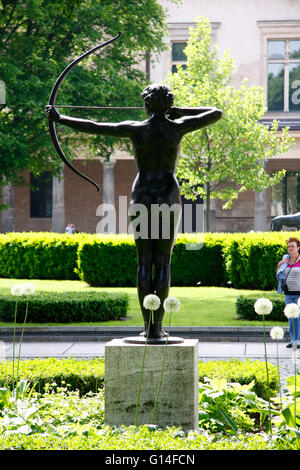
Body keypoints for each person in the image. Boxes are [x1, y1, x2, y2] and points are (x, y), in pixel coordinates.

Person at [46, 83, 222, 338]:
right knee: (162, 263)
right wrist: (182, 110)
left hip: (142, 195)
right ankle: (157, 329)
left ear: (147, 104)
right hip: (167, 194)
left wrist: (60, 118)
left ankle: (147, 328)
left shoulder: (137, 129)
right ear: (168, 103)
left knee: (144, 263)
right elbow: (216, 112)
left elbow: (95, 126)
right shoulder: (178, 127)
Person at [276, 237, 300, 348]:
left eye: (292, 246)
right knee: (291, 317)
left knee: (299, 317)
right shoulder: (285, 259)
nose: (290, 248)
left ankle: (298, 340)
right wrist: (281, 263)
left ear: (298, 248)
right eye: (288, 246)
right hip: (288, 293)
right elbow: (278, 274)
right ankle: (293, 339)